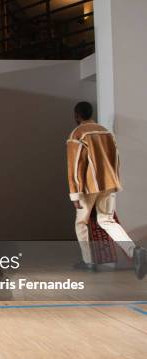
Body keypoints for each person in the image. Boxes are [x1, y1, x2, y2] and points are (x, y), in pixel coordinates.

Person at [67, 101, 146, 279]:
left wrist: (75, 193)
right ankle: (134, 251)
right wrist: (114, 180)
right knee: (107, 221)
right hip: (108, 184)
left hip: (88, 187)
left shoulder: (77, 133)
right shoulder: (105, 131)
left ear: (77, 115)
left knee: (81, 223)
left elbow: (75, 165)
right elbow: (115, 158)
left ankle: (89, 261)